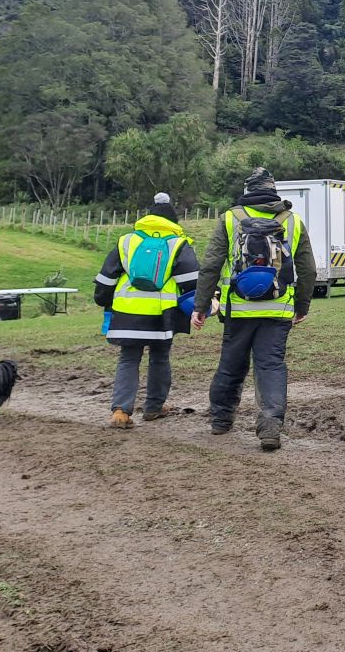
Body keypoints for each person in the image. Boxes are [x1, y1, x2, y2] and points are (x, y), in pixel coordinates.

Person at [192, 168, 315, 451]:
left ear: (248, 191)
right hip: (278, 311)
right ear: (274, 190)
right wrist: (302, 305)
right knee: (270, 365)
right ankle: (270, 423)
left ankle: (221, 421)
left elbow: (211, 264)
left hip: (238, 310)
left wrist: (201, 305)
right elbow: (307, 268)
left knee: (231, 364)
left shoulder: (229, 218)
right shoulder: (293, 221)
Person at [94, 193, 198, 428]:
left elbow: (106, 277)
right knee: (160, 357)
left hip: (127, 310)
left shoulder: (127, 241)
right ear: (173, 221)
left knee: (128, 359)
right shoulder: (178, 243)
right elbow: (192, 282)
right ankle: (153, 406)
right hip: (162, 313)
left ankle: (121, 411)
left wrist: (102, 301)